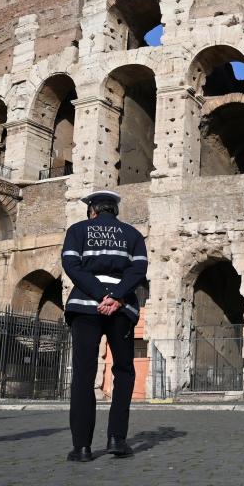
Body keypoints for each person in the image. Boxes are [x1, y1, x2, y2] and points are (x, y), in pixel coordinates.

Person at [61, 190, 148, 462]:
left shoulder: (78, 230)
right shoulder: (133, 235)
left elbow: (71, 265)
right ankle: (117, 439)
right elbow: (139, 271)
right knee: (124, 371)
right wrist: (117, 296)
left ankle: (82, 447)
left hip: (86, 305)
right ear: (115, 211)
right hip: (121, 308)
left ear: (93, 211)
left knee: (84, 375)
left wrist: (100, 295)